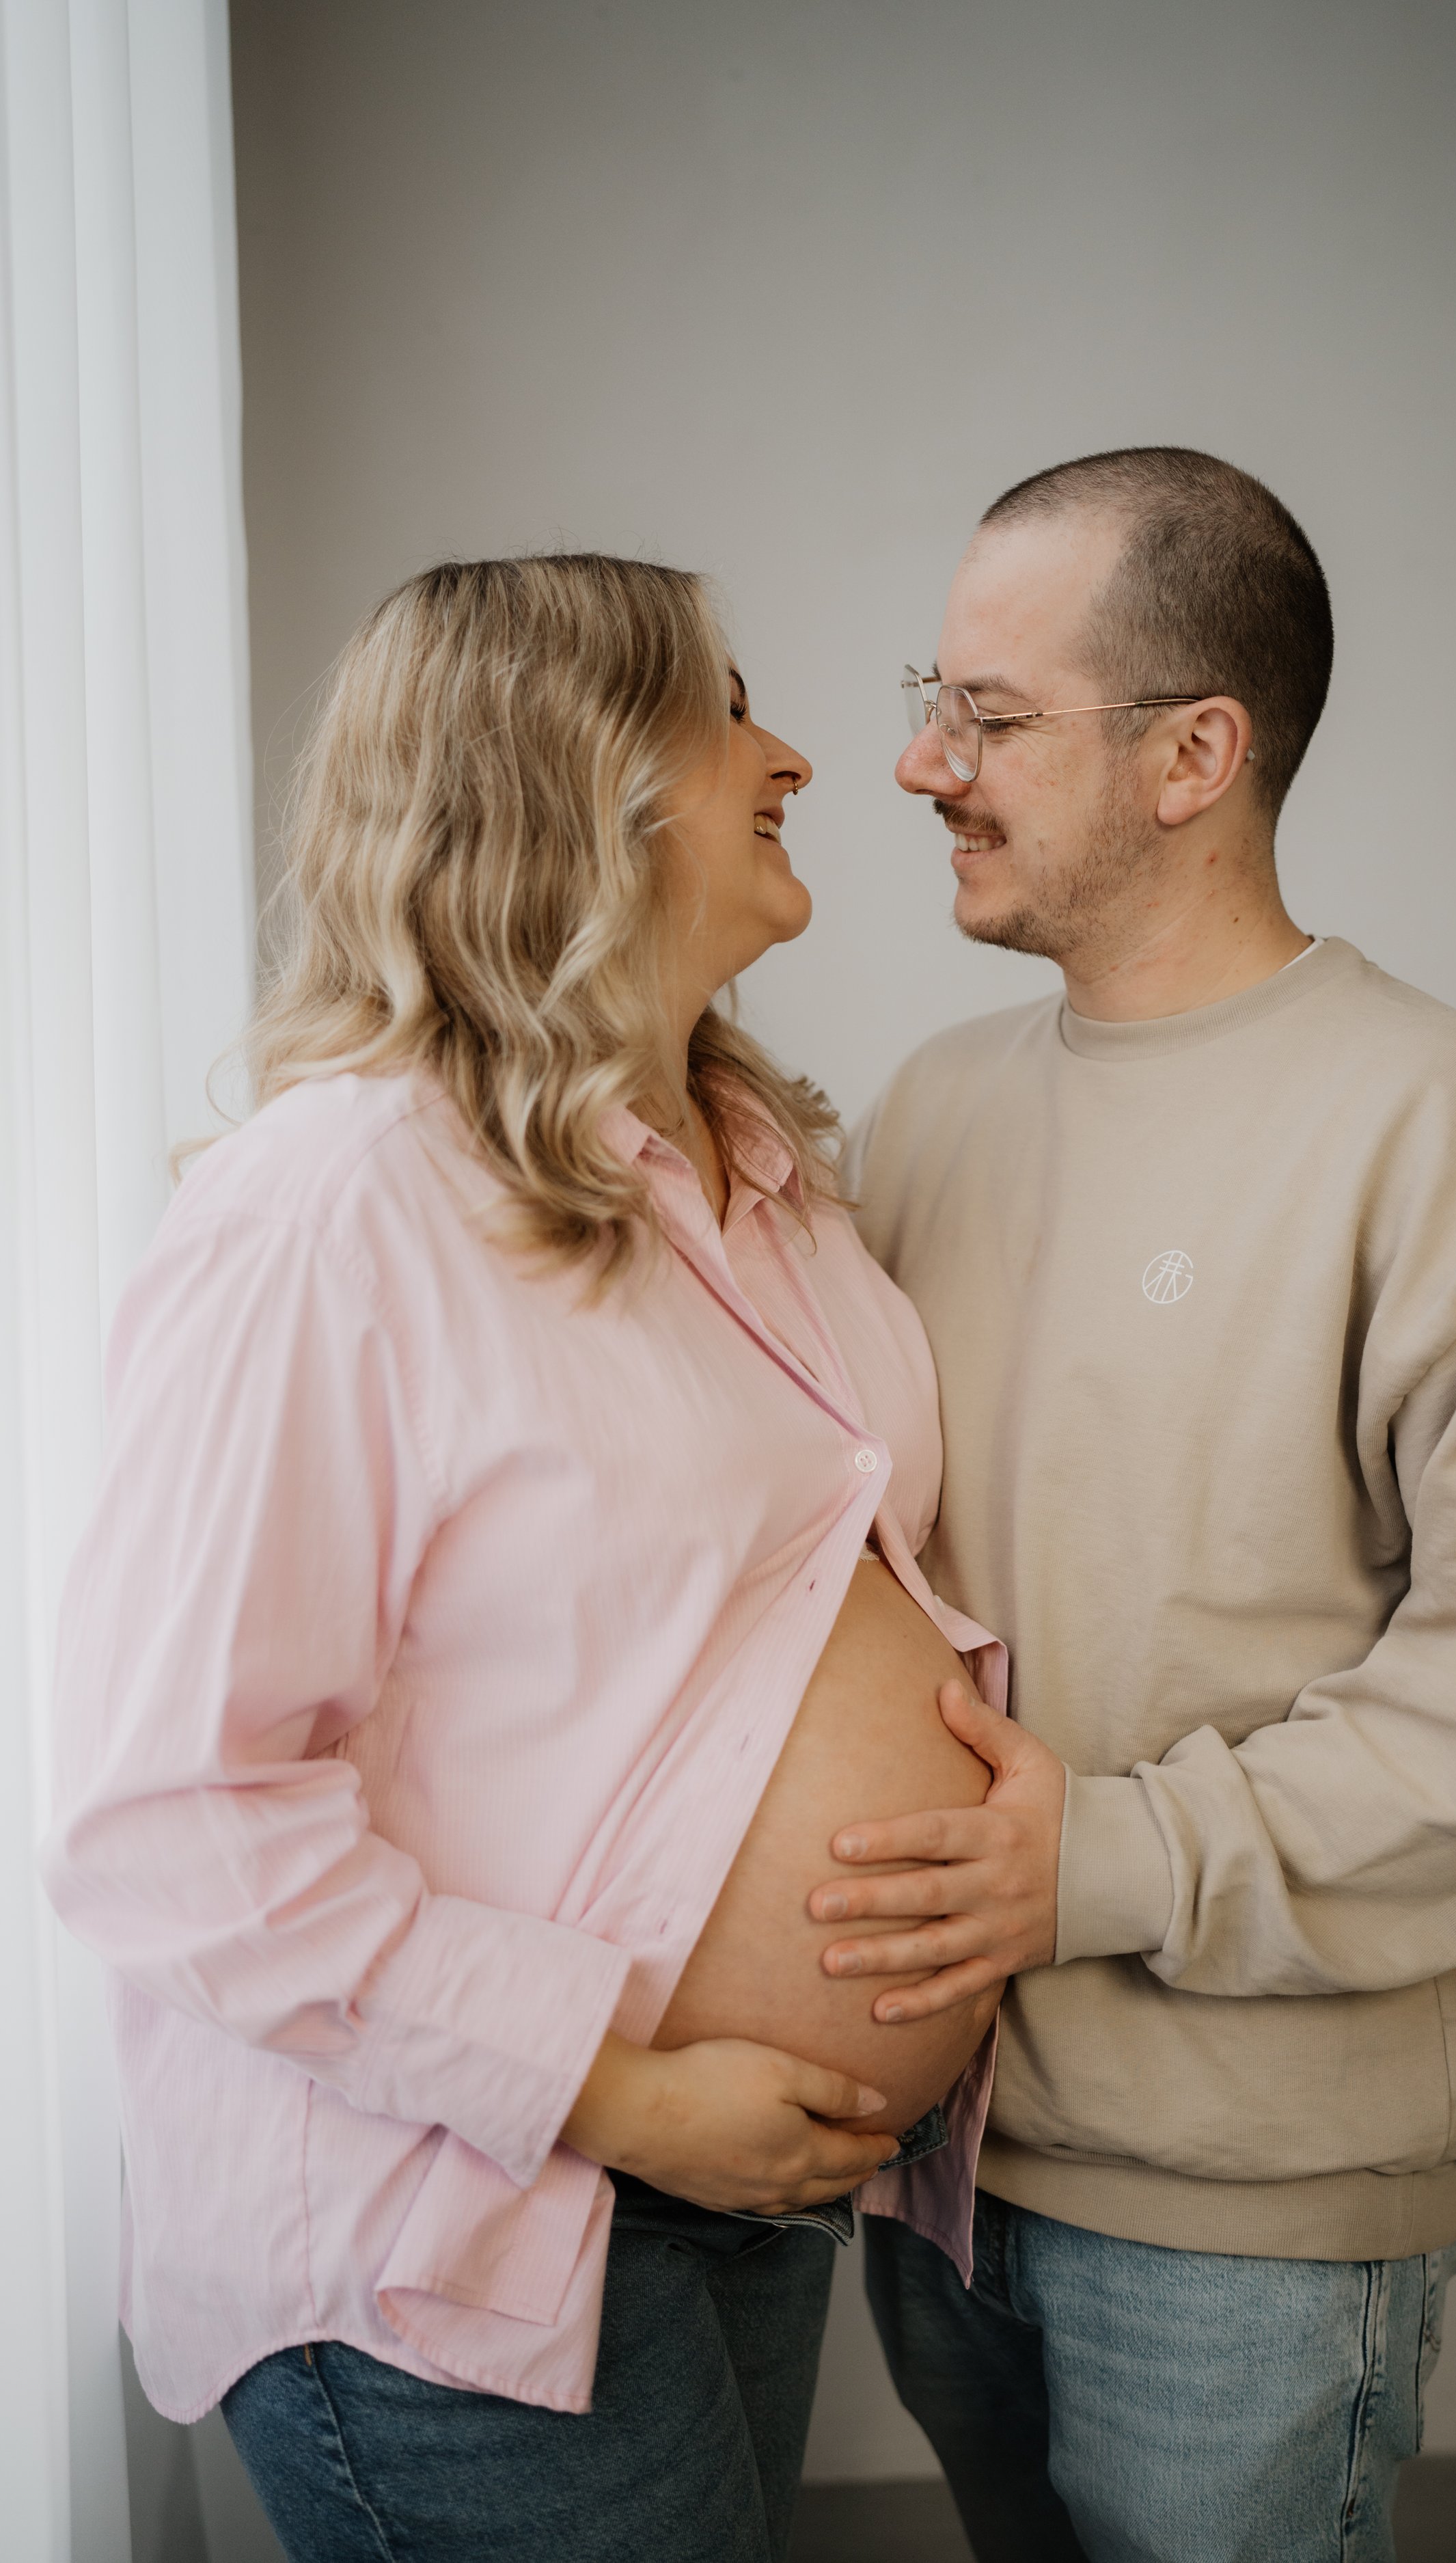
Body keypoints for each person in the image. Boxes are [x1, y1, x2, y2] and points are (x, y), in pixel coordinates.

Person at [43, 553, 1008, 2563]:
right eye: (728, 705)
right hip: (462, 2203)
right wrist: (630, 2097)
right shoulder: (337, 1203)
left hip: (729, 2192)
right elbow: (172, 1821)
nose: (798, 754)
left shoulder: (767, 1182)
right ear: (584, 774)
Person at [810, 448, 1456, 2563]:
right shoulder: (930, 1112)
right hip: (941, 2175)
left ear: (1196, 751)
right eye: (928, 696)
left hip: (1251, 2235)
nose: (919, 759)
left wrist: (1097, 1862)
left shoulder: (1446, 1126)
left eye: (991, 717)